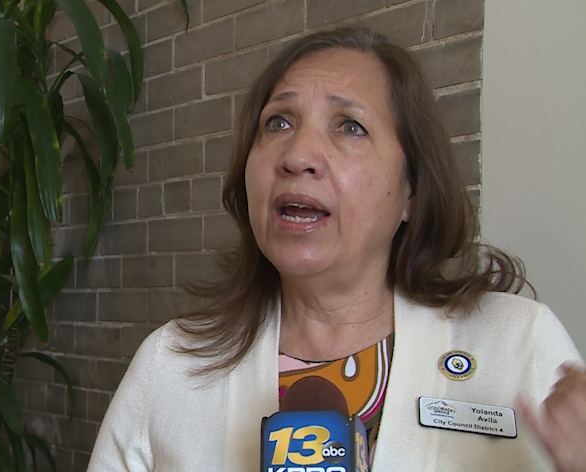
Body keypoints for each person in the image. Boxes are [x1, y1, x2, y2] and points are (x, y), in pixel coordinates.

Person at [87, 27, 586, 471]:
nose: (297, 156)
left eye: (350, 126)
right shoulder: (170, 365)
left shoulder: (518, 346)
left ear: (411, 190)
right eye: (278, 122)